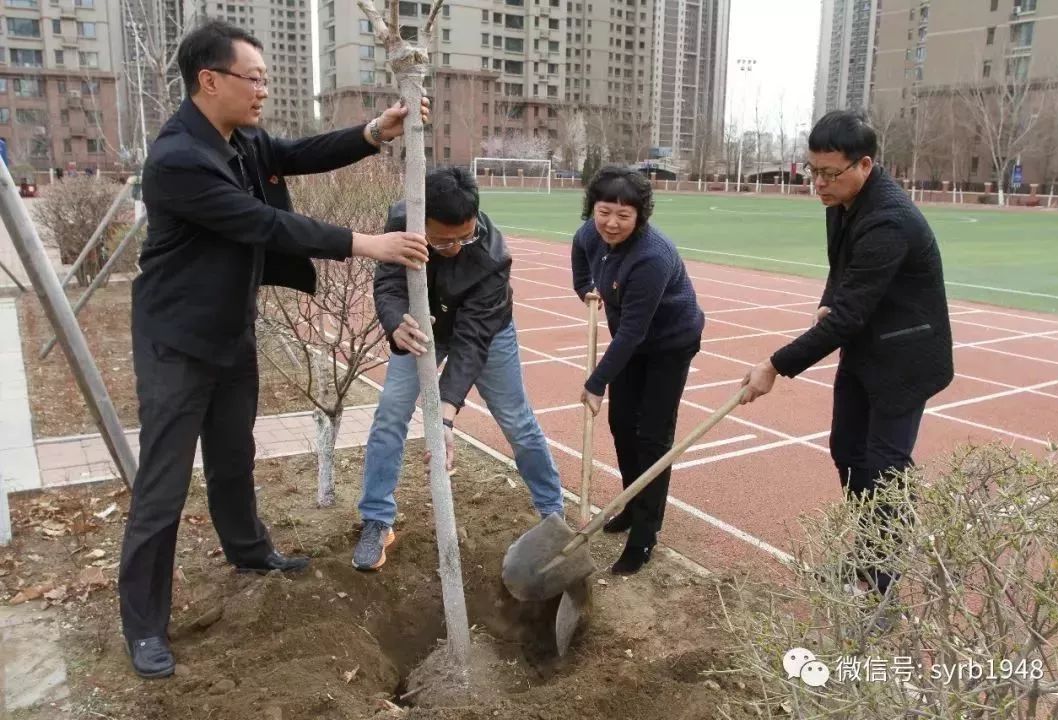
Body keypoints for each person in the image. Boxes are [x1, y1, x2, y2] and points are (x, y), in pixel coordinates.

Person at [119, 19, 431, 680]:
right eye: (252, 79)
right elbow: (263, 221)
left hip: (230, 329)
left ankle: (249, 550)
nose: (263, 90)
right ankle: (144, 625)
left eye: (264, 78)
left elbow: (294, 153)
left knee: (234, 455)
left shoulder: (240, 138)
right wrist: (367, 243)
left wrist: (375, 132)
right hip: (176, 342)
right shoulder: (179, 158)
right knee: (163, 485)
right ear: (210, 80)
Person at [739, 110, 953, 597]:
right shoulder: (840, 201)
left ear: (865, 165)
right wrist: (826, 301)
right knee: (847, 452)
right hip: (865, 349)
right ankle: (867, 553)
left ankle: (881, 588)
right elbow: (843, 274)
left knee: (884, 470)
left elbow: (850, 317)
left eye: (830, 173)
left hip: (907, 358)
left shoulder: (889, 222)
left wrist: (774, 366)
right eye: (813, 170)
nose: (818, 183)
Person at [353, 166, 565, 570]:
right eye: (443, 239)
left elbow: (471, 342)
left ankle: (553, 515)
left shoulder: (491, 257)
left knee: (517, 421)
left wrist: (445, 416)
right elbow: (388, 284)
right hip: (418, 327)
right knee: (389, 417)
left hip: (485, 332)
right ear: (421, 221)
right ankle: (377, 520)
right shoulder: (402, 221)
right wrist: (396, 321)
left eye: (464, 236)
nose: (455, 246)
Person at [571, 165, 705, 575]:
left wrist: (595, 383)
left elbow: (632, 332)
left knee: (652, 437)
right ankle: (630, 504)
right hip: (632, 342)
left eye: (623, 215)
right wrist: (583, 287)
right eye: (603, 212)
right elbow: (580, 254)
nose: (611, 223)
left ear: (640, 216)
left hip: (668, 343)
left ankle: (645, 536)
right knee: (621, 425)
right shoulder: (590, 233)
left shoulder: (651, 257)